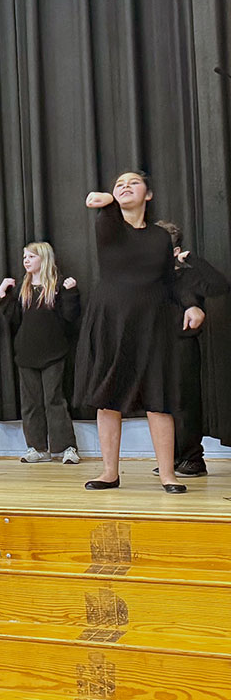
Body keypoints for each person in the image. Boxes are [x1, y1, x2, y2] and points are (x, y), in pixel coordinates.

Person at [77, 171, 201, 494]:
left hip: (152, 323)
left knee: (158, 397)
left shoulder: (160, 237)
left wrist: (190, 305)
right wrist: (109, 199)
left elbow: (169, 281)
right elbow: (97, 201)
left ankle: (168, 474)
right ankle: (109, 472)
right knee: (108, 397)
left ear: (149, 194)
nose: (125, 187)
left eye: (133, 182)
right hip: (112, 320)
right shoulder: (109, 225)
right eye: (119, 184)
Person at [152, 221, 229, 477]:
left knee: (184, 401)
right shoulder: (151, 278)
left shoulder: (189, 275)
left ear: (175, 251)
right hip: (157, 345)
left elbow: (220, 286)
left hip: (182, 344)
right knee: (162, 403)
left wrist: (191, 259)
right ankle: (171, 458)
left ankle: (193, 458)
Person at [0, 243, 81, 464]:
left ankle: (67, 447)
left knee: (54, 400)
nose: (26, 260)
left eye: (31, 256)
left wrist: (71, 293)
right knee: (31, 402)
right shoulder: (21, 289)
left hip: (53, 352)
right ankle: (37, 447)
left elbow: (70, 317)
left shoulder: (57, 286)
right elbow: (11, 321)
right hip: (27, 353)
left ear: (44, 259)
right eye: (24, 256)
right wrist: (3, 295)